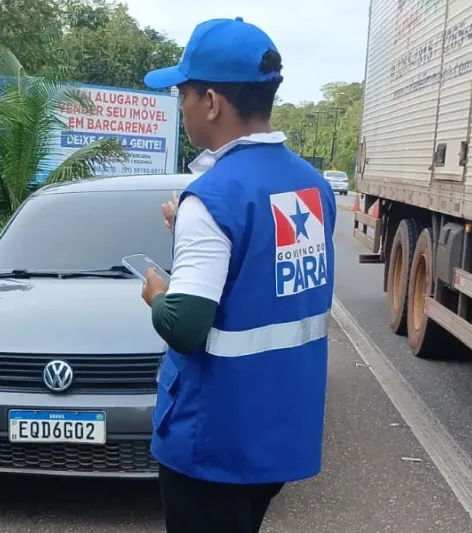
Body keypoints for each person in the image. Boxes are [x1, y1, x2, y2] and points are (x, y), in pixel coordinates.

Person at [139, 17, 337, 533]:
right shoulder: (311, 186)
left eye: (182, 94)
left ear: (211, 102)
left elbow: (185, 325)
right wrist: (189, 230)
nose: (180, 107)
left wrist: (158, 293)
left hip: (214, 436)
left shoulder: (213, 196)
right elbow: (257, 275)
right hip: (278, 426)